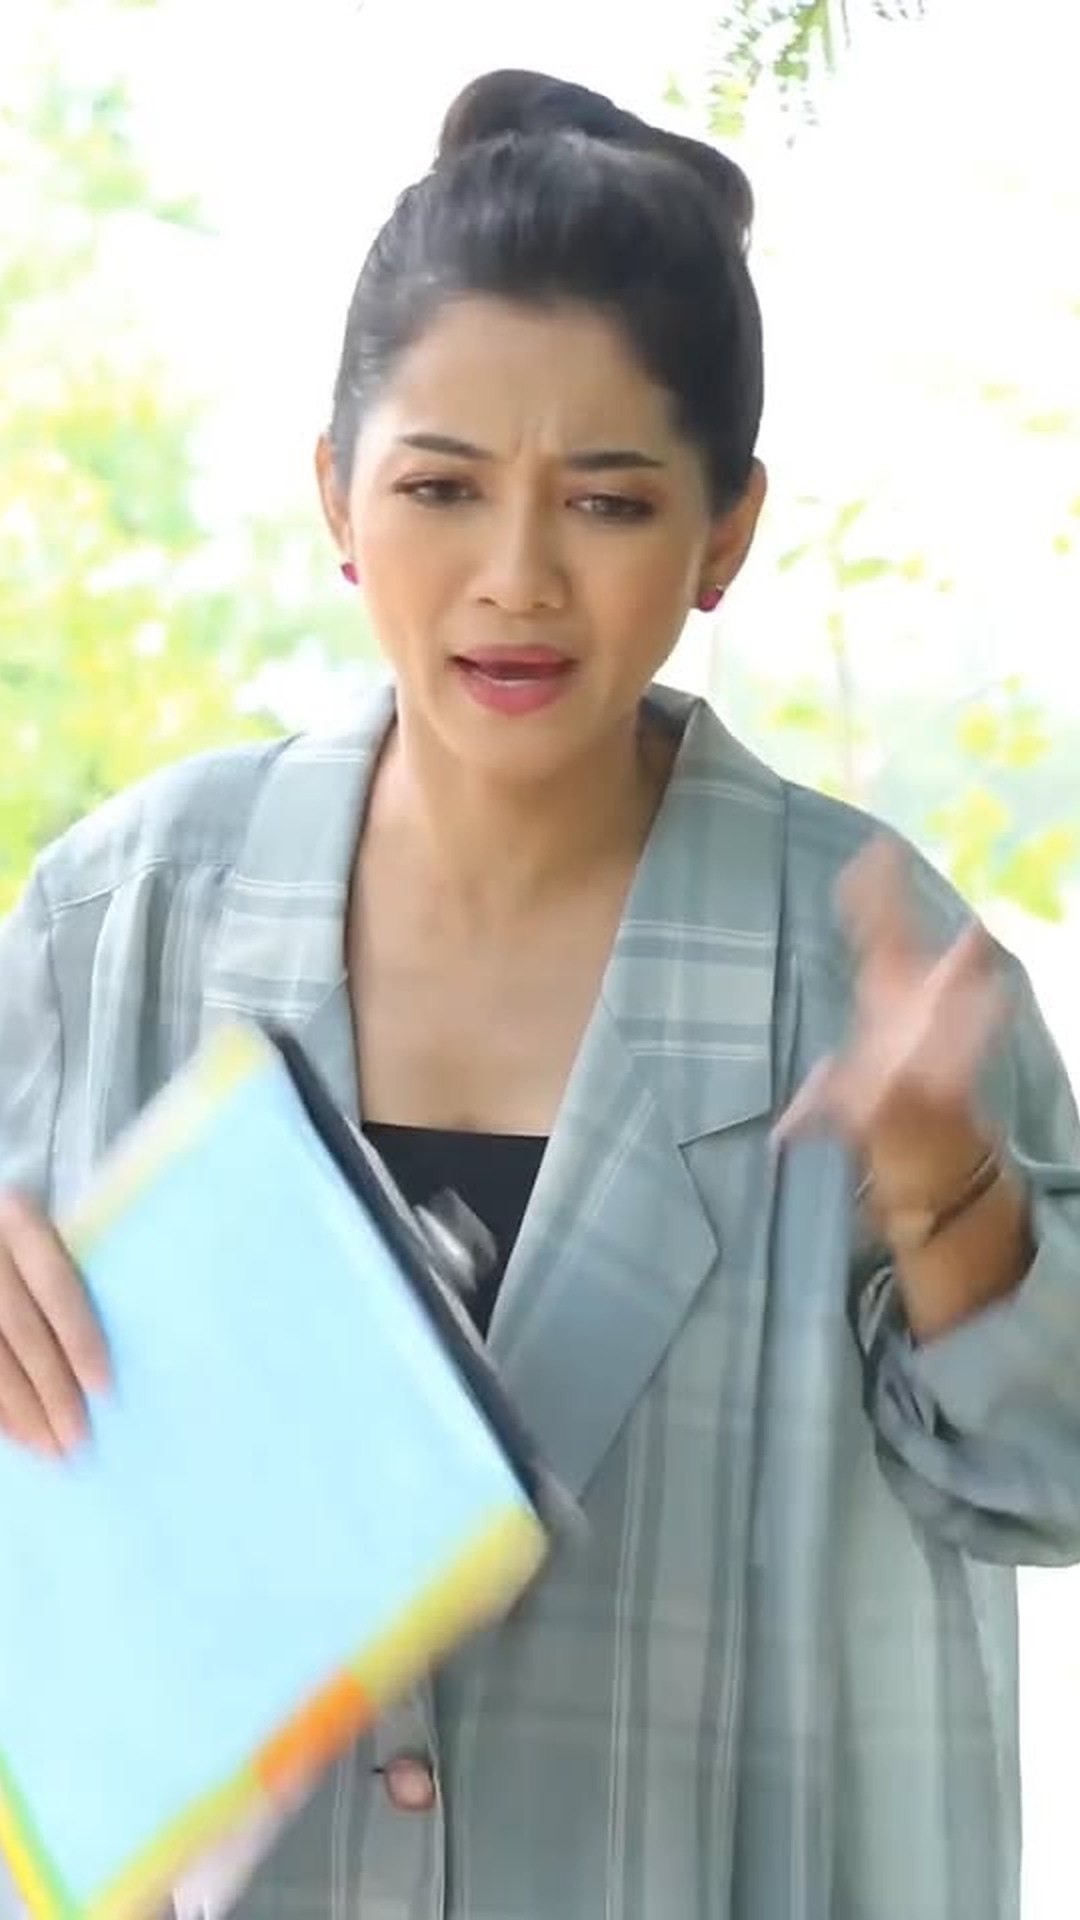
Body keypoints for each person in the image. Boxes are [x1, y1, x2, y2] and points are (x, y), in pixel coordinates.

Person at [0, 65, 1078, 1920]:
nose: (518, 579)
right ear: (337, 498)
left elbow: (1051, 1479)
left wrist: (943, 1186)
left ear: (725, 535)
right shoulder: (121, 918)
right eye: (441, 487)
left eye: (607, 501)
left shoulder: (869, 952)